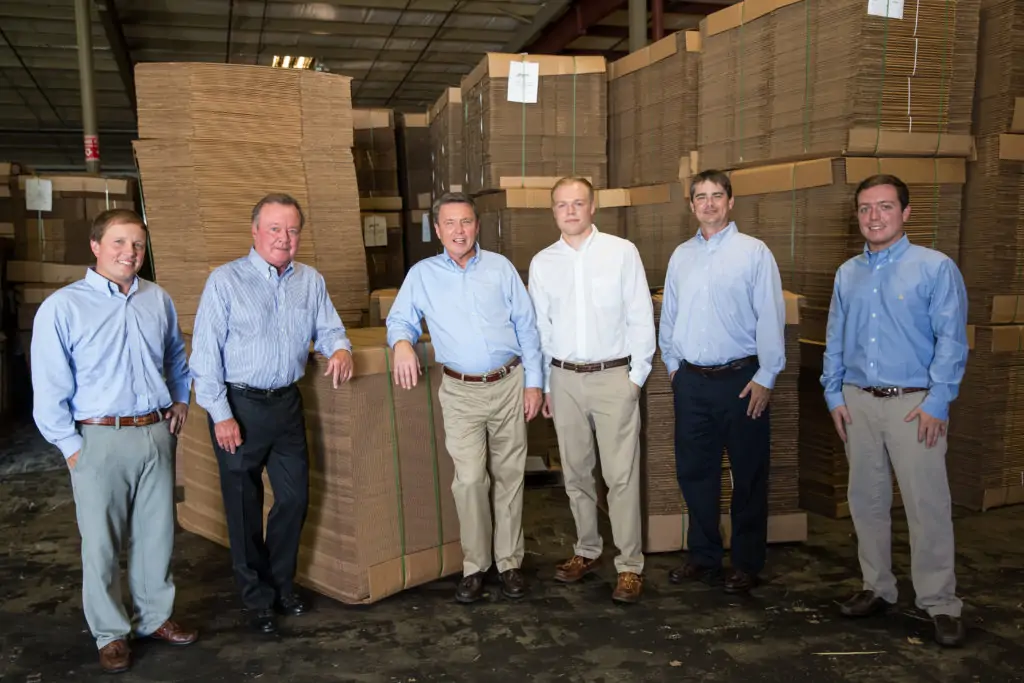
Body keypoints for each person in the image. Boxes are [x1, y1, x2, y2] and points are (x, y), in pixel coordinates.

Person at [31, 208, 197, 674]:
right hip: (98, 438)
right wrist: (70, 446)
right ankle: (110, 632)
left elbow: (176, 358)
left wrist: (180, 401)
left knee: (157, 535)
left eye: (138, 244)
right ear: (96, 246)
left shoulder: (157, 299)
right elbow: (48, 387)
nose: (130, 252)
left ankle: (155, 617)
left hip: (154, 431)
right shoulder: (64, 307)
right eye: (120, 243)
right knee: (101, 544)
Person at [189, 193, 354, 634]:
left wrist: (339, 348)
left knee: (294, 498)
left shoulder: (310, 280)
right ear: (256, 232)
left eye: (293, 230)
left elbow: (331, 327)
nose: (285, 238)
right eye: (275, 229)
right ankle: (257, 598)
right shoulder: (225, 281)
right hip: (238, 405)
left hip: (286, 402)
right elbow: (204, 358)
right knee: (244, 506)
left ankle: (282, 584)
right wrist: (221, 414)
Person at [820, 174, 968, 647]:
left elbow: (952, 341)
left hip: (914, 407)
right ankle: (877, 587)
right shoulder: (848, 274)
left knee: (927, 505)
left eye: (885, 207)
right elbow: (835, 340)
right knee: (865, 501)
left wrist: (938, 401)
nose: (874, 217)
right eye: (865, 208)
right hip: (859, 404)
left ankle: (940, 602)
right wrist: (835, 395)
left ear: (906, 213)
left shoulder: (935, 268)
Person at [386, 191, 544, 604]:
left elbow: (527, 327)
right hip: (459, 390)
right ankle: (476, 565)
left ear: (477, 226)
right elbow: (400, 319)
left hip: (509, 383)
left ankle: (509, 562)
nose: (459, 231)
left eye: (467, 222)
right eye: (450, 223)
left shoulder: (501, 268)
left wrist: (534, 383)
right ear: (437, 230)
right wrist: (401, 343)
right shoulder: (422, 274)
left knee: (509, 476)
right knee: (471, 479)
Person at [527, 177, 655, 603]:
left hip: (613, 377)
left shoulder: (621, 253)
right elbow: (540, 329)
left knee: (620, 476)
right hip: (563, 380)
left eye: (578, 203)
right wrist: (544, 384)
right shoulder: (543, 262)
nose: (570, 211)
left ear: (593, 206)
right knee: (577, 473)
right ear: (553, 211)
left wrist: (636, 378)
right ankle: (586, 549)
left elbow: (640, 317)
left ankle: (629, 565)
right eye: (562, 205)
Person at [658, 169, 786, 594]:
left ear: (730, 202)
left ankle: (747, 562)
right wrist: (674, 367)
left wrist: (766, 375)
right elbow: (670, 316)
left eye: (717, 196)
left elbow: (771, 315)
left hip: (742, 381)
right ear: (691, 205)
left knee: (748, 474)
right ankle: (704, 556)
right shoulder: (681, 256)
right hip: (692, 382)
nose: (709, 203)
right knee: (696, 474)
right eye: (700, 197)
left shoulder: (754, 253)